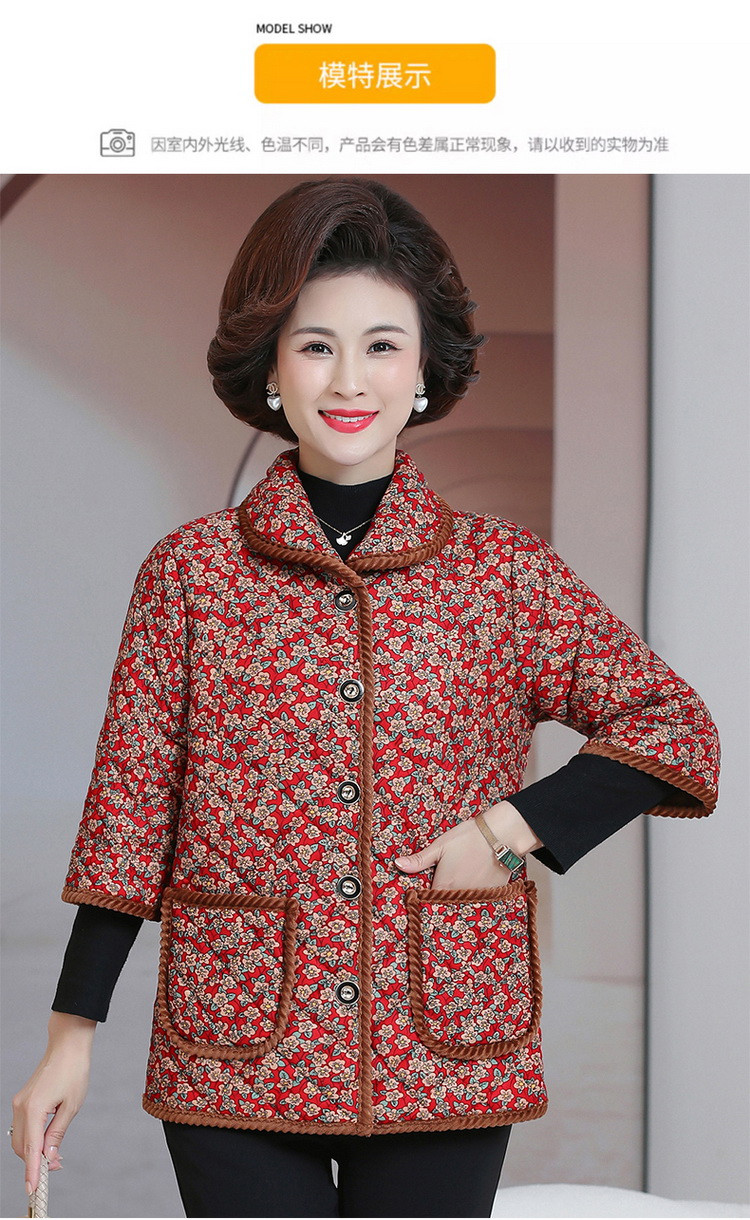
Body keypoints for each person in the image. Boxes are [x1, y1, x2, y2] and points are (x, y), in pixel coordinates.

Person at [10, 177, 720, 1219]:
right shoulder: (191, 574)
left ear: (424, 367)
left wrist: (510, 828)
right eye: (316, 345)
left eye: (382, 345)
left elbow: (675, 726)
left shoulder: (504, 574)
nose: (350, 379)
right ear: (271, 366)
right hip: (237, 1036)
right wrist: (70, 1035)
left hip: (447, 1038)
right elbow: (130, 813)